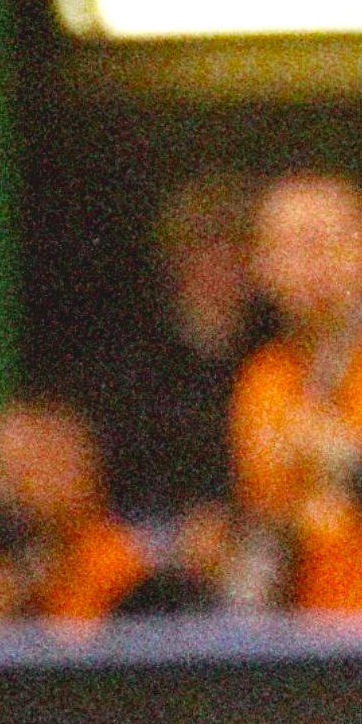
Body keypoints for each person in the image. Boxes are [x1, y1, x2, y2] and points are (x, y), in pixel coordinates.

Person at [232, 173, 362, 612]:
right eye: (291, 247)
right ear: (262, 266)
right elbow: (271, 524)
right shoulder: (265, 379)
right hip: (312, 641)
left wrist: (340, 457)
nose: (314, 264)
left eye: (329, 241)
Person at [107, 172, 259, 553]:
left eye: (234, 248)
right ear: (175, 259)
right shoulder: (137, 362)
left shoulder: (273, 354)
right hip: (156, 536)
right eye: (203, 247)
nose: (220, 264)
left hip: (250, 538)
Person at [0, 395, 167, 624]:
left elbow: (84, 646)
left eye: (41, 464)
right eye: (5, 472)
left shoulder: (114, 561)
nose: (10, 489)